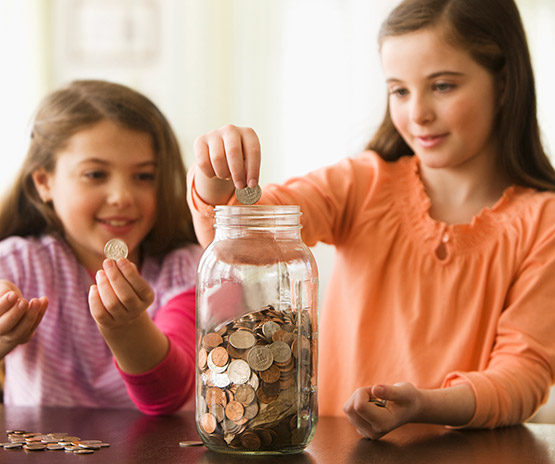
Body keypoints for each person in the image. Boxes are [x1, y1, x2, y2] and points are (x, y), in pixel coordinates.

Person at [186, 0, 555, 439]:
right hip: (335, 450)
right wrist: (212, 176)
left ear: (505, 81)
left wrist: (423, 405)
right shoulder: (361, 183)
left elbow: (523, 375)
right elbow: (236, 238)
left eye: (442, 86)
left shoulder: (543, 222)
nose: (417, 114)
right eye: (399, 90)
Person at [0, 80, 201, 415]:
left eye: (144, 176)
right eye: (95, 174)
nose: (121, 196)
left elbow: (170, 394)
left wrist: (126, 326)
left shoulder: (186, 271)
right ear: (44, 182)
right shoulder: (16, 264)